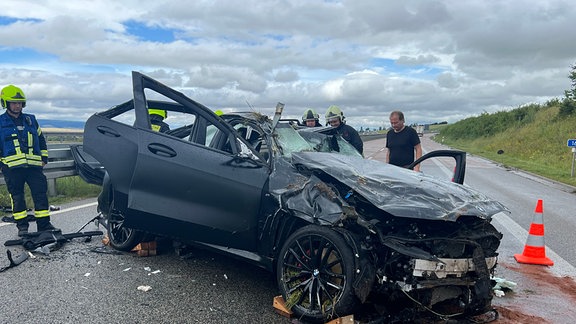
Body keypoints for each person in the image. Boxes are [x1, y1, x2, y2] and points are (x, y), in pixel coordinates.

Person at [0, 85, 57, 236]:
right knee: (17, 197)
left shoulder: (31, 120)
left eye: (20, 103)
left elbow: (40, 140)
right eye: (14, 102)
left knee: (40, 194)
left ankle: (44, 226)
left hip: (33, 167)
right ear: (5, 103)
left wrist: (44, 159)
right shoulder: (0, 122)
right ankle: (22, 228)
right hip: (12, 168)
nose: (17, 105)